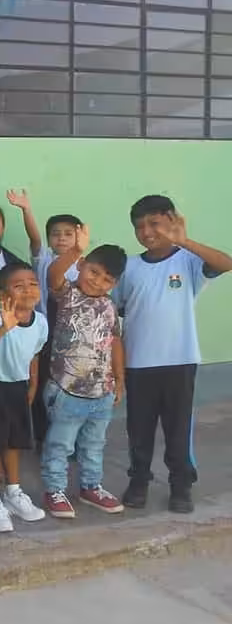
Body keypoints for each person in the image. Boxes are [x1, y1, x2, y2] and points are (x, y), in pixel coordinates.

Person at [114, 196, 232, 514]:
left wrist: (186, 241)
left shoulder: (188, 260)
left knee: (178, 429)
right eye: (139, 227)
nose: (147, 232)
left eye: (154, 223)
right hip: (138, 363)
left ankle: (181, 484)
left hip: (179, 361)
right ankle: (139, 480)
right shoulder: (130, 267)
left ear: (172, 220)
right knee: (138, 428)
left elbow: (226, 263)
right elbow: (118, 308)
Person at [41, 227, 128, 519]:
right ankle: (54, 490)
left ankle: (91, 487)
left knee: (94, 444)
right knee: (60, 444)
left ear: (114, 284)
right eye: (93, 272)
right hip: (67, 390)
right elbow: (53, 275)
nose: (97, 281)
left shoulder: (109, 305)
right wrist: (76, 249)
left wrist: (119, 379)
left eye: (107, 279)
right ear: (81, 265)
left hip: (101, 392)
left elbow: (115, 341)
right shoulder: (68, 295)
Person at [0, 262, 48, 533]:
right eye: (19, 285)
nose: (28, 289)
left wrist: (33, 383)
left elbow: (34, 354)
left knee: (13, 442)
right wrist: (3, 327)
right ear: (4, 295)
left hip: (18, 386)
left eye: (33, 284)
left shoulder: (41, 322)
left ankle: (13, 493)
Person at [4, 188, 82, 449]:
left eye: (68, 233)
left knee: (69, 386)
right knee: (41, 385)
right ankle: (41, 436)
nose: (62, 238)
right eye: (56, 234)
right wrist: (26, 209)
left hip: (72, 338)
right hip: (44, 333)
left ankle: (69, 440)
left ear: (79, 237)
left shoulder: (84, 265)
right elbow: (35, 238)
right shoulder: (44, 259)